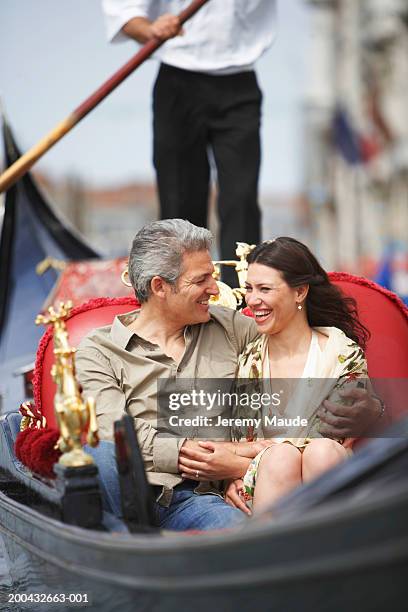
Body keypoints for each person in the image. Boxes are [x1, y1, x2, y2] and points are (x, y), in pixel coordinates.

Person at [76, 221, 385, 529]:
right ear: (160, 287)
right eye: (201, 280)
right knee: (102, 452)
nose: (215, 288)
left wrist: (368, 406)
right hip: (126, 492)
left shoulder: (229, 327)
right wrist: (189, 452)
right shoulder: (99, 348)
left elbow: (304, 349)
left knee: (237, 533)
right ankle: (119, 544)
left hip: (196, 498)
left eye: (212, 275)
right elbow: (112, 429)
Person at [179, 238, 385, 515]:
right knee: (282, 459)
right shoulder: (247, 357)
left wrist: (241, 462)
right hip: (259, 483)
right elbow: (236, 438)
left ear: (300, 292)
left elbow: (331, 437)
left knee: (320, 452)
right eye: (249, 289)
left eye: (265, 289)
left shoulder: (339, 350)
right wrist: (236, 475)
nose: (252, 301)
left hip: (322, 472)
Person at [101, 0, 277, 285]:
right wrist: (150, 29)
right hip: (177, 81)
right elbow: (125, 12)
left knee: (241, 202)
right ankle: (183, 296)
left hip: (239, 80)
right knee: (179, 204)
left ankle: (242, 300)